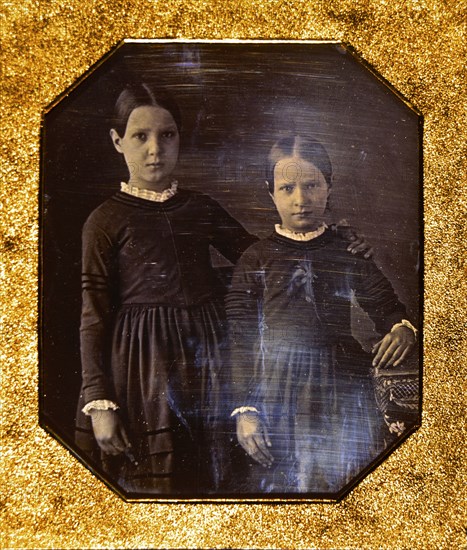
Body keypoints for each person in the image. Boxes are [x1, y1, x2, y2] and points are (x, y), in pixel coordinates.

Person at [74, 82, 259, 494]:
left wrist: (334, 242)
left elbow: (263, 260)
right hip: (143, 366)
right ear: (117, 141)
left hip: (209, 358)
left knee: (213, 477)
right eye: (140, 136)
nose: (155, 148)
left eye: (167, 135)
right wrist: (99, 402)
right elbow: (93, 314)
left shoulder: (201, 207)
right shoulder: (104, 222)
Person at [226, 135, 417, 495]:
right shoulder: (256, 258)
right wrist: (246, 410)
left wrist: (401, 328)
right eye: (287, 188)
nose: (301, 199)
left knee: (344, 483)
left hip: (340, 385)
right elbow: (240, 337)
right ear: (271, 193)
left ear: (329, 186)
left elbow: (386, 306)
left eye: (312, 185)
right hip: (277, 389)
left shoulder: (347, 250)